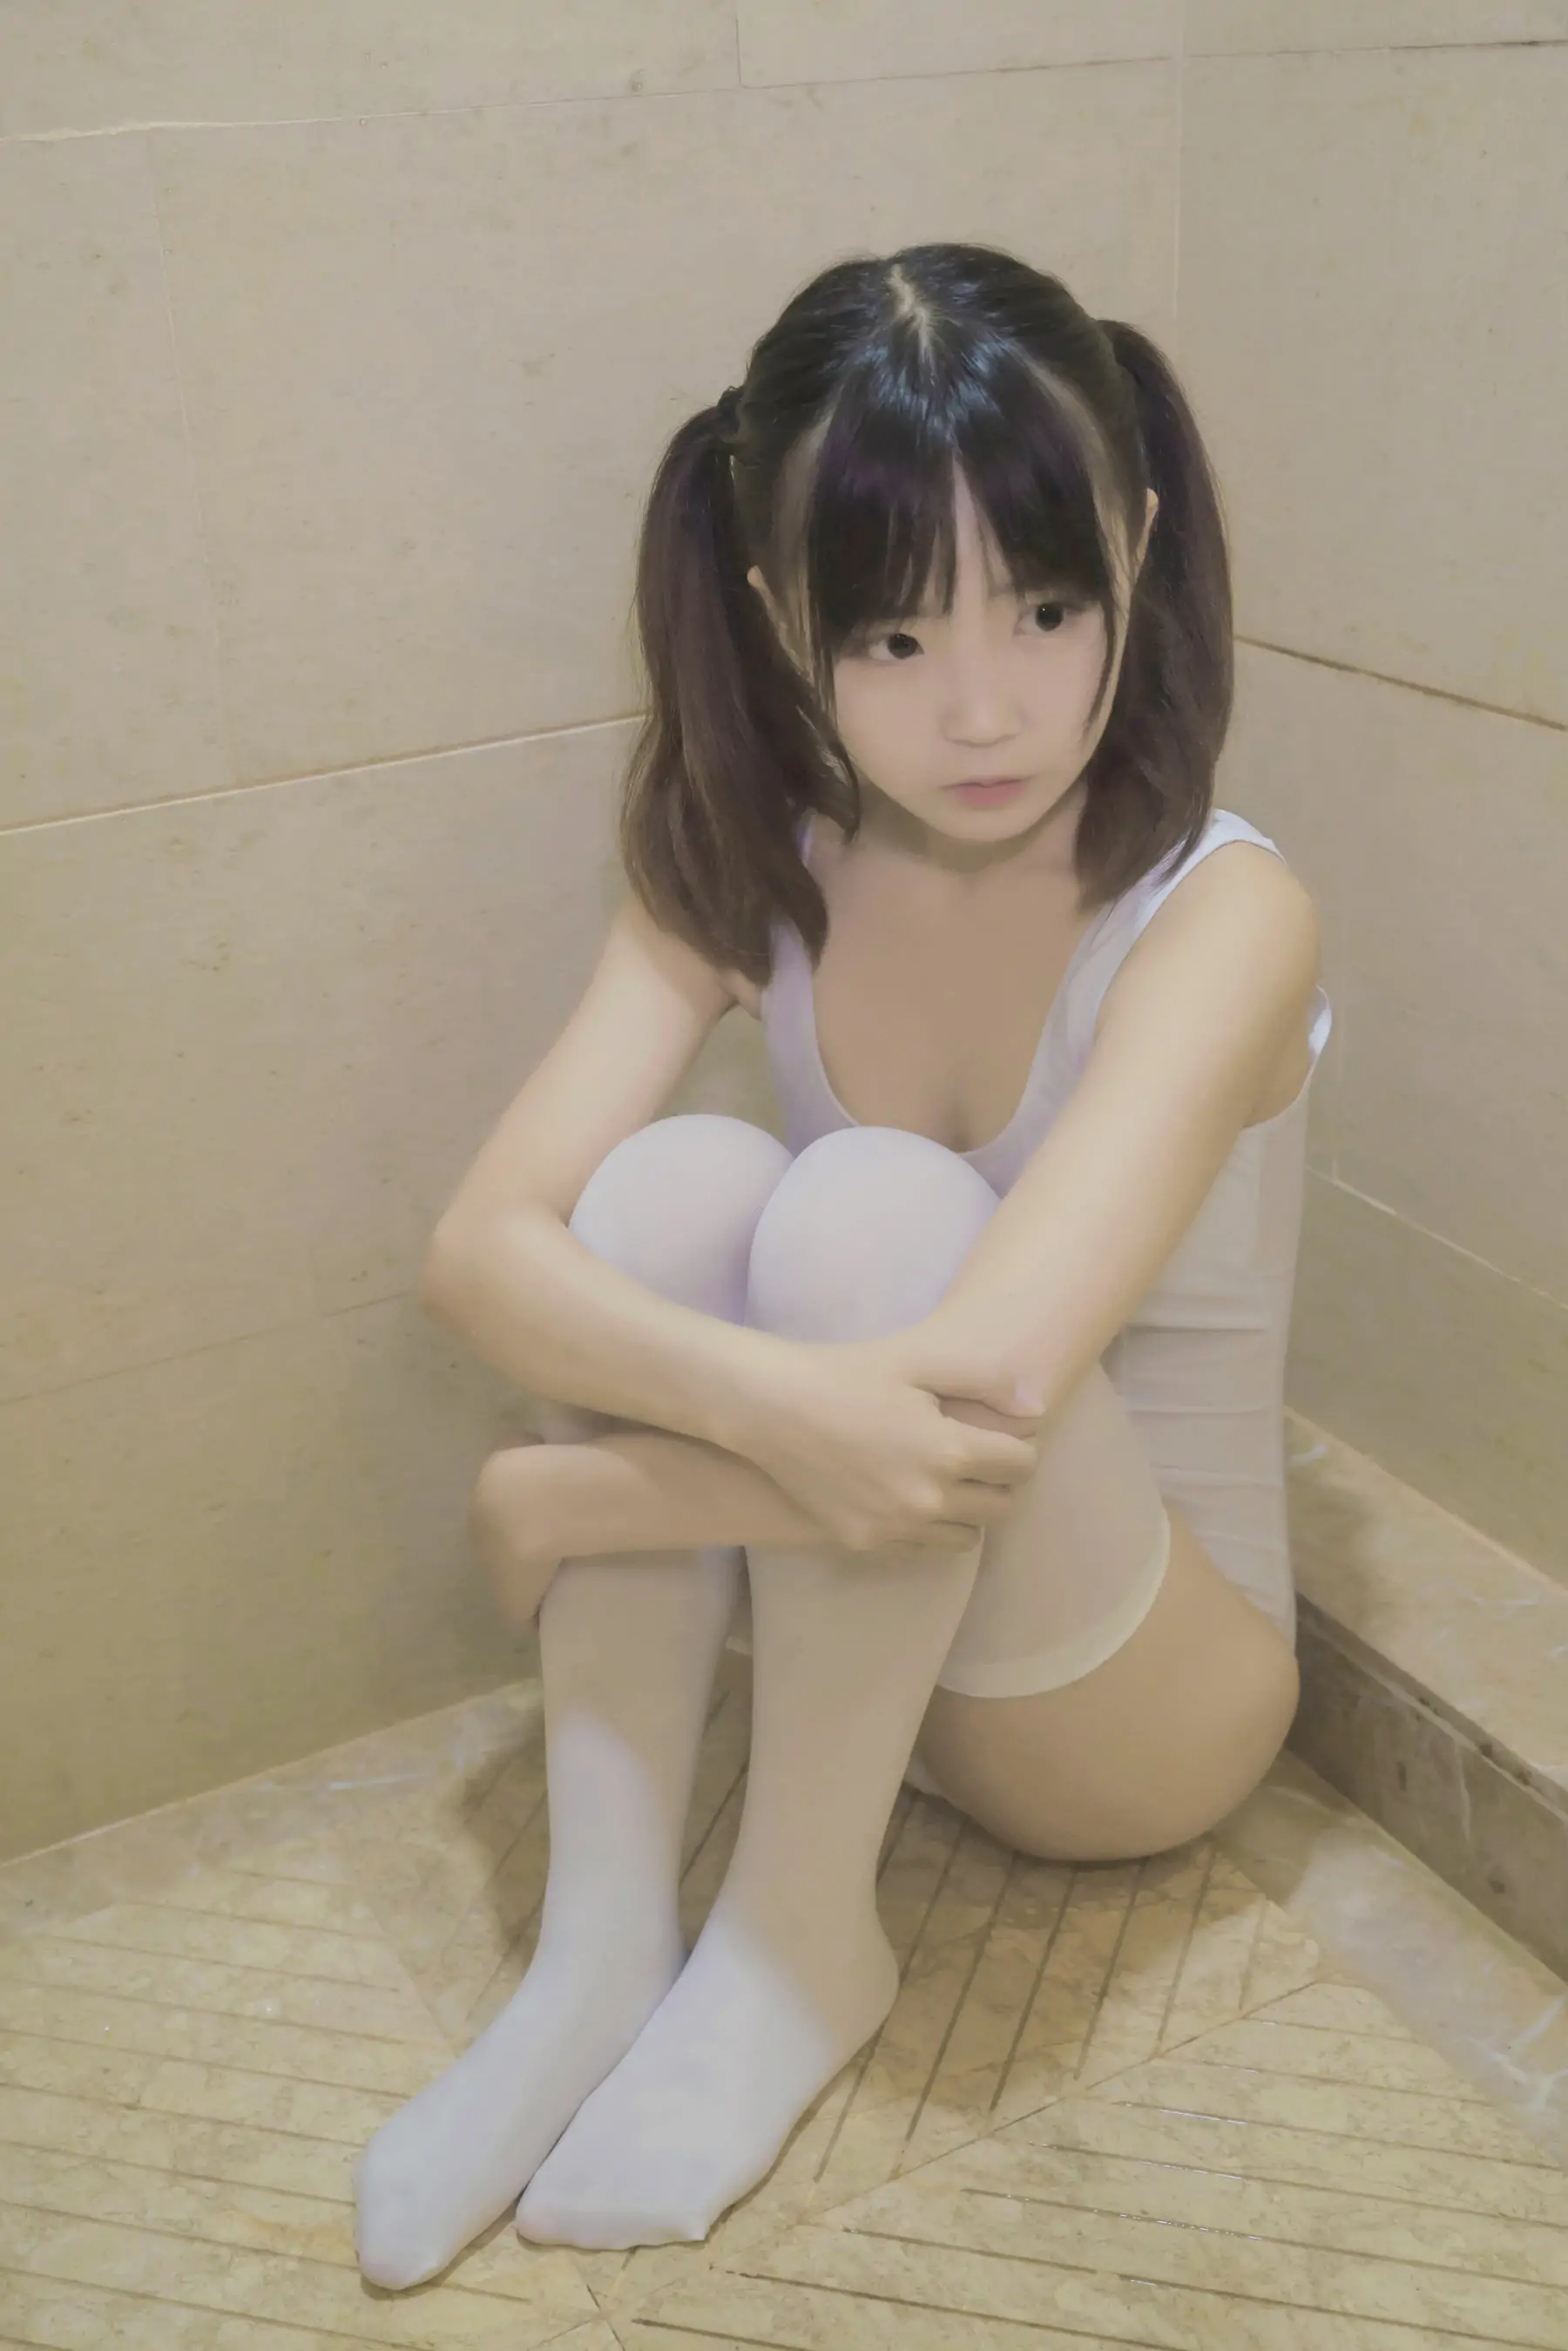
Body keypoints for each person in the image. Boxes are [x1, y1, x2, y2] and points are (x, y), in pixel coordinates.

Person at [354, 241, 1329, 2282]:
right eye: (892, 633)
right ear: (773, 609)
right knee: (669, 1189)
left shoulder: (1222, 916)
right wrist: (744, 1423)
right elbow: (484, 1249)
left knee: (870, 1207)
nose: (984, 705)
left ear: (1142, 549)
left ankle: (800, 1941)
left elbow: (975, 1410)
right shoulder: (759, 860)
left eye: (1047, 607)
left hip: (1137, 1696)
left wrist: (579, 1490)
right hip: (883, 1652)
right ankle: (600, 1954)